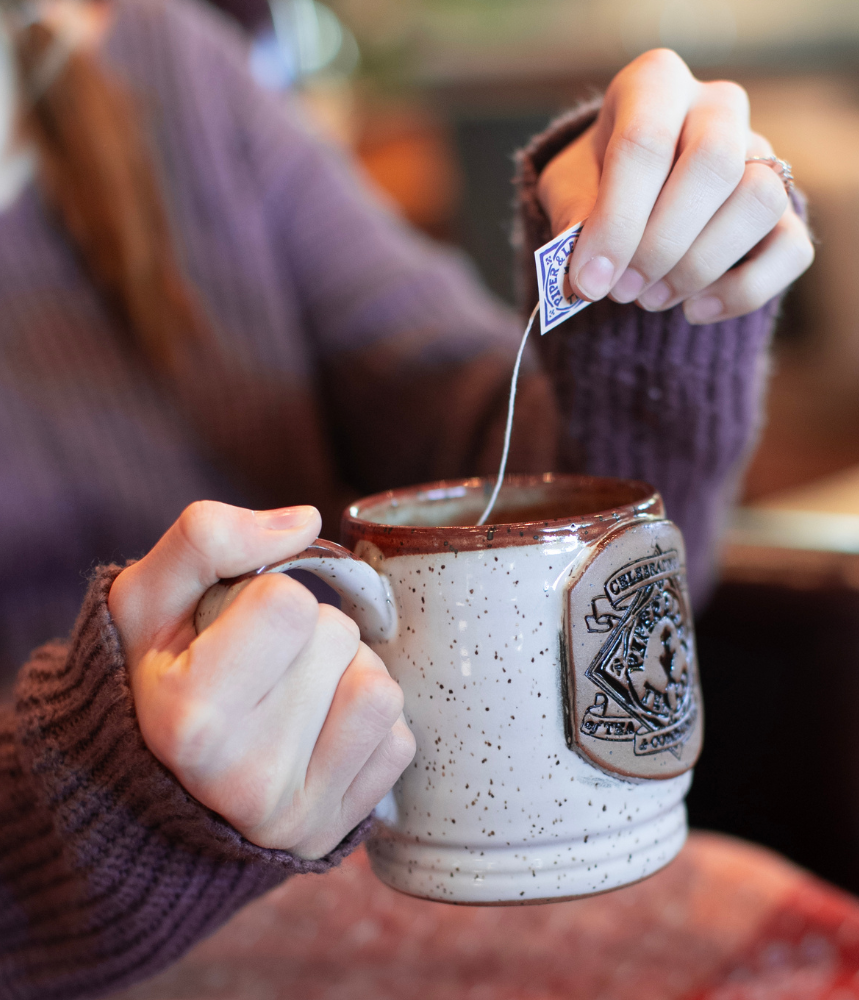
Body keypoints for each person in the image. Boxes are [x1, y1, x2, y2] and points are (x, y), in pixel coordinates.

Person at [0, 0, 813, 996]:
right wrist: (104, 804)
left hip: (441, 879)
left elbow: (526, 482)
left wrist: (647, 300)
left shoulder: (165, 76)